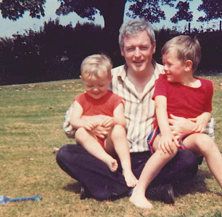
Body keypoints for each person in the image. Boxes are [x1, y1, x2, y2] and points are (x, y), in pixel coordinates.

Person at [56, 19, 199, 203]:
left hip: (156, 156)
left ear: (153, 47)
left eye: (143, 47)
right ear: (122, 50)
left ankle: (105, 187)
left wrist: (192, 125)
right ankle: (151, 189)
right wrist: (91, 123)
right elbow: (69, 126)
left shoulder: (170, 76)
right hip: (114, 157)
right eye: (130, 48)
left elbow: (202, 113)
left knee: (188, 160)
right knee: (66, 154)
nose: (137, 55)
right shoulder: (107, 78)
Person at [129, 35, 222, 209]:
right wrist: (166, 134)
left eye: (169, 64)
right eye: (163, 63)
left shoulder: (206, 87)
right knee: (169, 147)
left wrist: (205, 117)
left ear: (187, 65)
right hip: (163, 132)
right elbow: (160, 107)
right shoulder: (163, 82)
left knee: (206, 140)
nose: (164, 68)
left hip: (189, 137)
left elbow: (206, 110)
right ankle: (139, 191)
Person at [70, 54, 137, 187]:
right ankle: (107, 160)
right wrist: (84, 123)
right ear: (81, 80)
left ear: (110, 79)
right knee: (80, 132)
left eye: (101, 85)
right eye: (89, 85)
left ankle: (127, 170)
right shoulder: (80, 99)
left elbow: (122, 121)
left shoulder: (114, 99)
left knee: (118, 129)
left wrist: (113, 120)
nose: (95, 89)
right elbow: (73, 120)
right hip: (91, 144)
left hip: (108, 143)